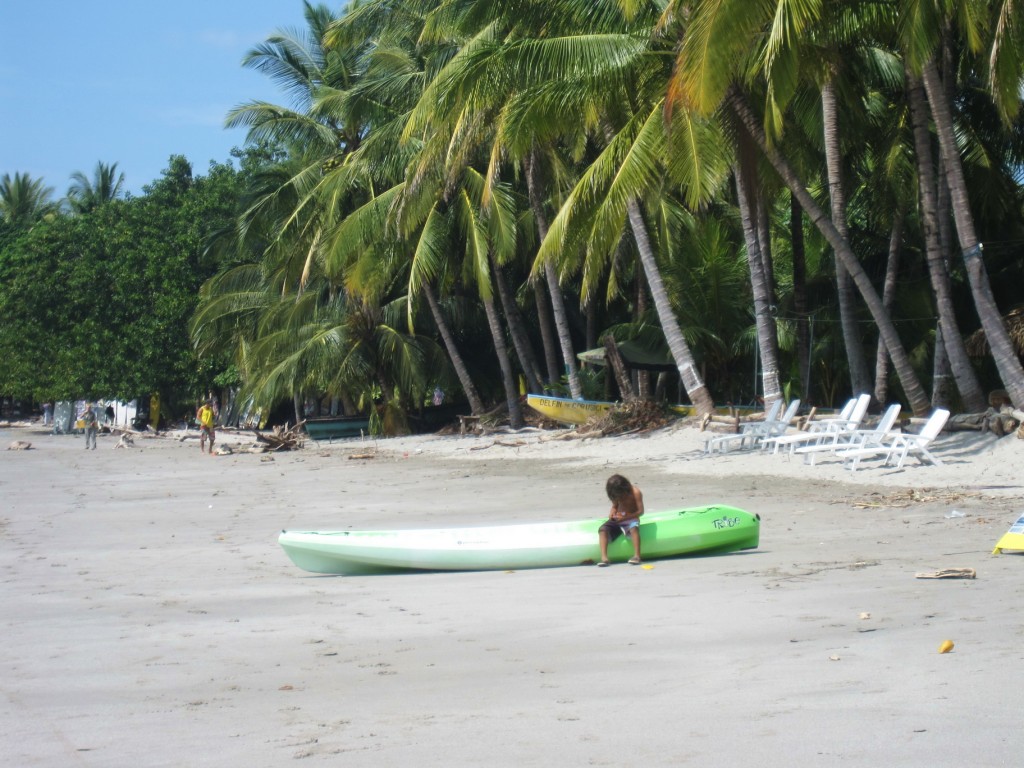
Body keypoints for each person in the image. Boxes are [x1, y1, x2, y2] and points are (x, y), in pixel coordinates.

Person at [597, 473, 644, 566]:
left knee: (634, 529)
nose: (619, 497)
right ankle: (604, 557)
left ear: (624, 488)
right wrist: (612, 512)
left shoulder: (635, 492)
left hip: (631, 518)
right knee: (602, 529)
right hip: (618, 518)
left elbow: (640, 511)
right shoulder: (615, 493)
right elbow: (615, 506)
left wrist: (625, 517)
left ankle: (637, 556)